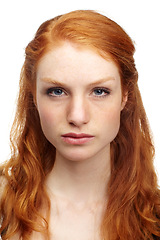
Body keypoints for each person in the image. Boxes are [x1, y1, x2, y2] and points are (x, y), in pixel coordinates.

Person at [0, 9, 160, 240]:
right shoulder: (3, 205)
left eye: (99, 91)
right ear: (33, 95)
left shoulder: (153, 217)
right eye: (57, 91)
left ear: (125, 95)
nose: (77, 116)